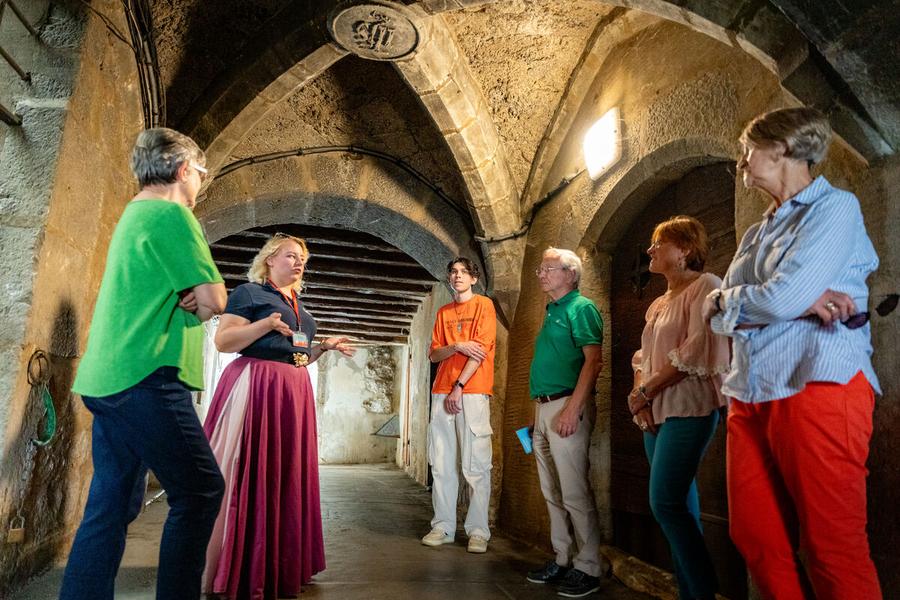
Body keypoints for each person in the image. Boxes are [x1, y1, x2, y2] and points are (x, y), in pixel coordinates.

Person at [702, 107, 882, 599]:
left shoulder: (834, 208)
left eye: (748, 150)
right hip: (751, 390)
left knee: (831, 546)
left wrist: (750, 302)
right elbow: (713, 312)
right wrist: (783, 301)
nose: (741, 161)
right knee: (755, 536)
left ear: (780, 150)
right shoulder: (756, 232)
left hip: (818, 382)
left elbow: (773, 299)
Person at [62, 128, 228, 600]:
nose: (200, 182)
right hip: (146, 377)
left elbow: (194, 298)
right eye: (200, 173)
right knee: (200, 492)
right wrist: (195, 299)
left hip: (107, 378)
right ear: (182, 171)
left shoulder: (134, 215)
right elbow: (215, 298)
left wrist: (188, 298)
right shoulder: (172, 214)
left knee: (110, 504)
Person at [202, 234, 355, 599]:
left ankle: (277, 562)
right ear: (270, 259)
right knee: (250, 473)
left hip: (293, 391)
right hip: (258, 386)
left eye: (303, 257)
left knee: (285, 476)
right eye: (291, 255)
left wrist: (323, 346)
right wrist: (264, 325)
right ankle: (239, 563)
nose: (299, 261)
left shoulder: (300, 305)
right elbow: (223, 342)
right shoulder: (250, 293)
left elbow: (297, 356)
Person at [628, 216, 729, 600]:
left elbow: (698, 348)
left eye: (658, 242)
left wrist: (646, 391)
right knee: (679, 505)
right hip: (655, 411)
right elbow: (643, 357)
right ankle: (688, 592)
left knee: (665, 503)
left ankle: (703, 591)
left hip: (689, 407)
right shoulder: (657, 303)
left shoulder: (707, 286)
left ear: (685, 248)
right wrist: (640, 394)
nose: (650, 250)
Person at [525, 248, 605, 599]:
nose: (541, 274)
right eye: (540, 268)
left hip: (566, 405)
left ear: (570, 274)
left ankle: (589, 566)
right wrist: (534, 418)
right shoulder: (551, 310)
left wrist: (573, 409)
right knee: (550, 490)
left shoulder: (581, 307)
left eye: (548, 268)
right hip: (544, 409)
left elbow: (593, 361)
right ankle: (562, 556)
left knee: (573, 491)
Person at [421, 258, 497, 554]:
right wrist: (456, 346)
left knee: (475, 465)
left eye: (464, 272)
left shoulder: (484, 306)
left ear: (474, 278)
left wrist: (459, 386)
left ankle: (478, 531)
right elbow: (434, 355)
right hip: (441, 391)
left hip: (472, 391)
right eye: (453, 272)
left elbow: (480, 351)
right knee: (441, 462)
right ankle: (443, 526)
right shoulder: (443, 312)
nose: (458, 276)